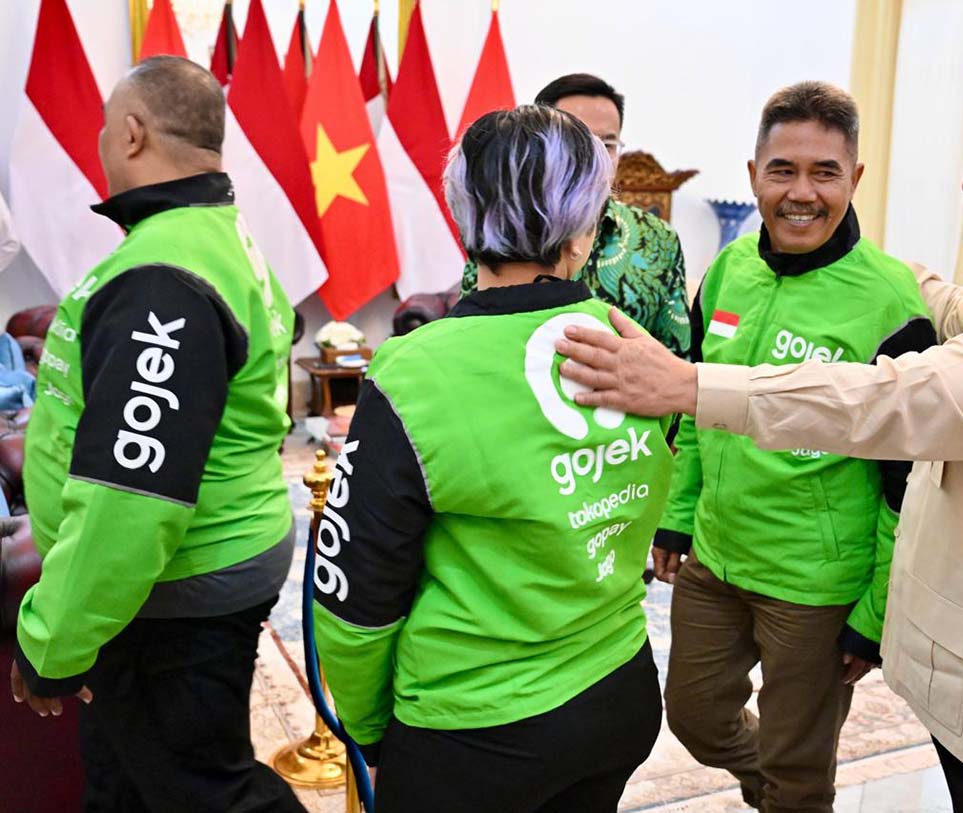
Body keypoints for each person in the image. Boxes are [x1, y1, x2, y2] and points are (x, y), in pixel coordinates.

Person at [556, 53, 963, 813]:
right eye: (782, 171)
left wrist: (688, 384)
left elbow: (891, 399)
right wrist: (851, 260)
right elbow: (956, 308)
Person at [314, 105, 674, 812]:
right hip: (617, 693)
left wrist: (370, 729)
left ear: (465, 219)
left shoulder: (414, 369)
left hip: (474, 732)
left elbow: (355, 594)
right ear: (584, 233)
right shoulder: (641, 351)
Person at [9, 57, 303, 812]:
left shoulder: (163, 273)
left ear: (132, 133)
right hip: (182, 574)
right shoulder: (211, 237)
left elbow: (133, 491)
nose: (102, 144)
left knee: (204, 789)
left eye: (106, 129)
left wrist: (55, 638)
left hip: (174, 590)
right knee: (125, 777)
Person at [652, 82, 935, 813]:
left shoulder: (892, 300)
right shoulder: (726, 270)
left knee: (800, 769)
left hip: (814, 584)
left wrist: (873, 613)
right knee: (693, 715)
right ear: (752, 175)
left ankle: (789, 789)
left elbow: (908, 477)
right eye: (782, 170)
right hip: (716, 556)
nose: (800, 193)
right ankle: (771, 783)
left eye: (824, 172)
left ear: (856, 179)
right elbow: (695, 404)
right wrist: (677, 516)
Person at [460, 73, 692, 358]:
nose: (595, 159)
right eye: (578, 143)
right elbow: (471, 324)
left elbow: (675, 354)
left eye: (608, 144)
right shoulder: (503, 226)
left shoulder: (657, 238)